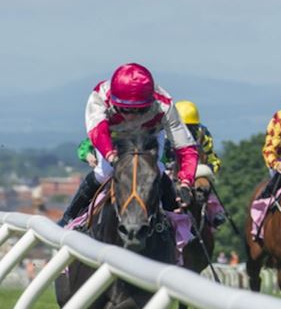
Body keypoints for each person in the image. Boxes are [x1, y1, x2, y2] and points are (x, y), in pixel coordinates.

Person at [58, 63, 198, 226]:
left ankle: (178, 226)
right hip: (112, 135)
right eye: (124, 110)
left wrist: (186, 182)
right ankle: (68, 218)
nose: (131, 116)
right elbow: (98, 132)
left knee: (156, 171)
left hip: (148, 134)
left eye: (139, 110)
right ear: (113, 102)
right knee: (104, 172)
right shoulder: (99, 97)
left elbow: (186, 147)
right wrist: (111, 156)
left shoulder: (164, 105)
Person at [173, 100, 227, 227]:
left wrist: (208, 169)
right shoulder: (167, 135)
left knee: (205, 184)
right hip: (175, 172)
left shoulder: (203, 135)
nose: (188, 132)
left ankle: (215, 212)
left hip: (196, 171)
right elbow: (164, 159)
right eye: (184, 127)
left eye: (191, 128)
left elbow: (213, 159)